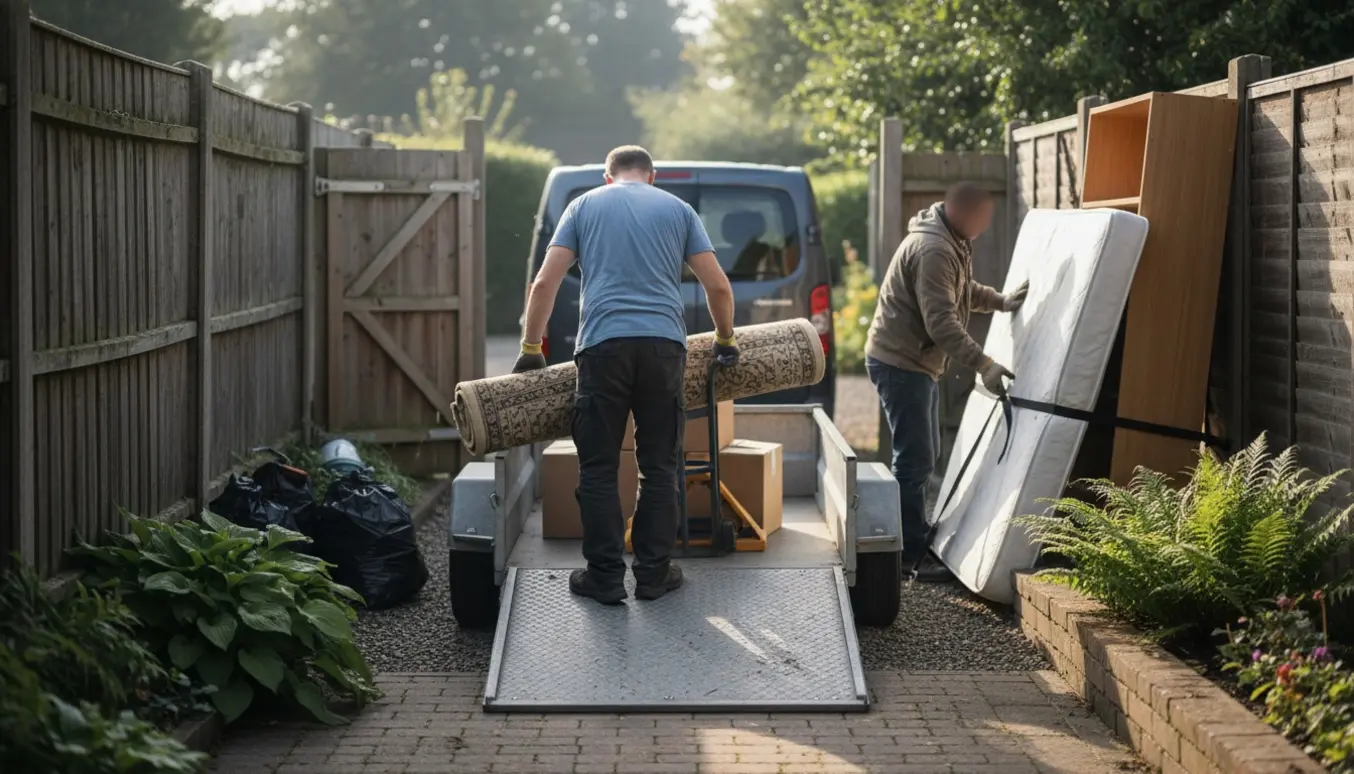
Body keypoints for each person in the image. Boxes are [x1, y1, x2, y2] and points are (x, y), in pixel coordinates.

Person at [512, 146, 740, 605]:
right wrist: (725, 340)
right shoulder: (679, 210)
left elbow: (544, 282)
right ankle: (653, 576)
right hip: (663, 349)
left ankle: (605, 578)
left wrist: (531, 348)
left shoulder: (584, 205)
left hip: (602, 349)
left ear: (607, 175)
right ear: (651, 177)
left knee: (598, 468)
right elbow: (717, 284)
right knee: (659, 467)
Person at [865, 183, 1028, 582]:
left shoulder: (950, 238)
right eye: (982, 218)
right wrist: (984, 364)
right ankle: (907, 554)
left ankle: (911, 538)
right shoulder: (935, 249)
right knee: (916, 457)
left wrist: (999, 301)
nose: (985, 226)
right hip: (901, 362)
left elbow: (959, 291)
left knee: (923, 452)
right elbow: (942, 323)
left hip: (911, 360)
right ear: (962, 212)